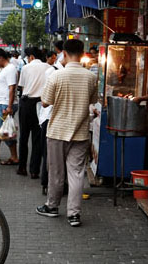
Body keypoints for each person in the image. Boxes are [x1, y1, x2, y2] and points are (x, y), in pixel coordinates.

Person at [37, 39, 99, 227]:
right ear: (82, 53)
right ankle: (74, 214)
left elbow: (45, 102)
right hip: (80, 132)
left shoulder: (57, 76)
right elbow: (93, 100)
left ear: (64, 53)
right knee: (77, 173)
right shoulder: (91, 77)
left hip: (57, 131)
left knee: (56, 171)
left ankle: (52, 206)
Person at [16, 47, 49, 178]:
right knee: (37, 138)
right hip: (41, 104)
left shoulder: (26, 68)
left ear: (31, 57)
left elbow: (22, 87)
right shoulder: (49, 68)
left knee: (23, 137)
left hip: (26, 103)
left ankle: (22, 167)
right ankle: (35, 170)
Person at [38, 48, 63, 195]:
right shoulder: (51, 72)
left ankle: (57, 185)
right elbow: (45, 101)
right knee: (48, 153)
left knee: (58, 154)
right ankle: (46, 183)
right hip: (49, 117)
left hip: (59, 117)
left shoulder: (63, 72)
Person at [0, 49, 19, 165]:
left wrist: (9, 107)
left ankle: (14, 157)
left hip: (6, 105)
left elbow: (12, 88)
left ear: (1, 57)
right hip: (1, 104)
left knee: (6, 131)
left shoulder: (10, 69)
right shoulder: (6, 69)